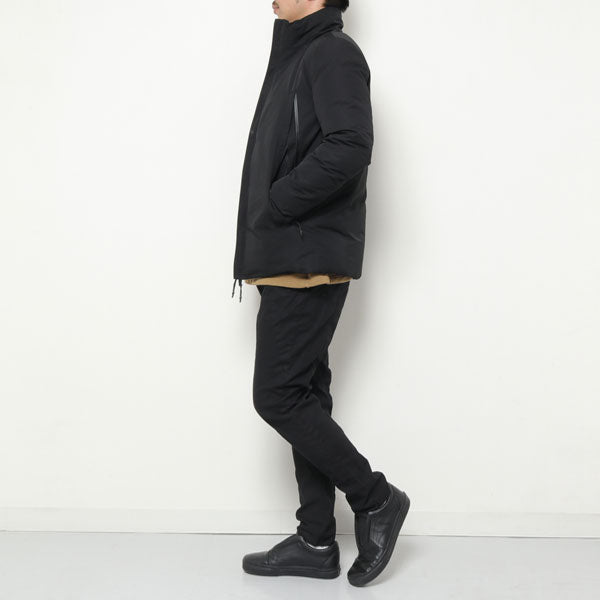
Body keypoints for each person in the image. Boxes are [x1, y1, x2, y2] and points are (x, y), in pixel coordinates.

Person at [232, 0, 410, 586]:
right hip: (290, 256)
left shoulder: (332, 53)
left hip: (305, 256)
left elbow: (350, 144)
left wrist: (278, 202)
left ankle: (375, 497)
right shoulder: (298, 55)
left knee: (278, 396)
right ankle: (315, 539)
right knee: (304, 394)